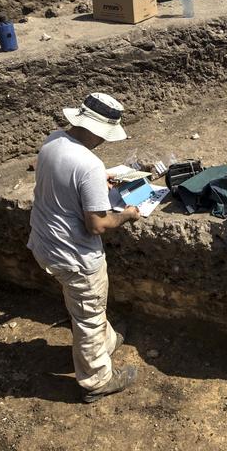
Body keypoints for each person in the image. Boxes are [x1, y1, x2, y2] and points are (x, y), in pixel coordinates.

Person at [27, 92, 141, 403]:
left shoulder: (53, 140)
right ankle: (96, 381)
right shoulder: (89, 163)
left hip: (44, 243)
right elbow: (98, 225)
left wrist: (93, 185)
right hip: (74, 255)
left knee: (82, 304)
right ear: (97, 131)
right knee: (88, 316)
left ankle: (106, 342)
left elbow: (58, 178)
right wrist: (127, 215)